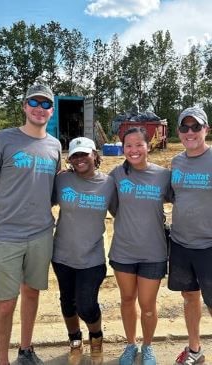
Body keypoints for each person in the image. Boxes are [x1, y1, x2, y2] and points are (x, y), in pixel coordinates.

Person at [0, 83, 61, 365]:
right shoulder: (2, 140)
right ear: (24, 106)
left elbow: (52, 189)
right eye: (34, 102)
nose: (39, 108)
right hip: (5, 234)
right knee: (4, 304)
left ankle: (25, 349)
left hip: (41, 233)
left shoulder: (56, 145)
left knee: (32, 292)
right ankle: (2, 359)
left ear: (52, 111)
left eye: (46, 104)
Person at [109, 127, 171, 365]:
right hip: (123, 251)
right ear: (123, 148)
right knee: (126, 300)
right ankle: (130, 344)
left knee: (147, 306)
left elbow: (183, 199)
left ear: (148, 146)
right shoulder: (116, 174)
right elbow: (112, 207)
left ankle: (147, 346)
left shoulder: (163, 175)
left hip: (153, 252)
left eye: (138, 145)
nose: (133, 150)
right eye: (128, 146)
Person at [51, 137, 116, 363]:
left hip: (93, 257)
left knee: (87, 304)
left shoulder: (109, 184)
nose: (80, 159)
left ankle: (96, 339)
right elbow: (40, 201)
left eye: (84, 154)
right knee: (67, 302)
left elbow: (123, 213)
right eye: (75, 155)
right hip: (62, 255)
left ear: (95, 156)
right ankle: (75, 341)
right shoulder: (61, 180)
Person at [168, 106, 212, 365]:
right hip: (181, 243)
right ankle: (194, 349)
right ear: (178, 132)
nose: (190, 132)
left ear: (206, 129)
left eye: (196, 126)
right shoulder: (177, 161)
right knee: (189, 296)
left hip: (209, 246)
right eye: (184, 127)